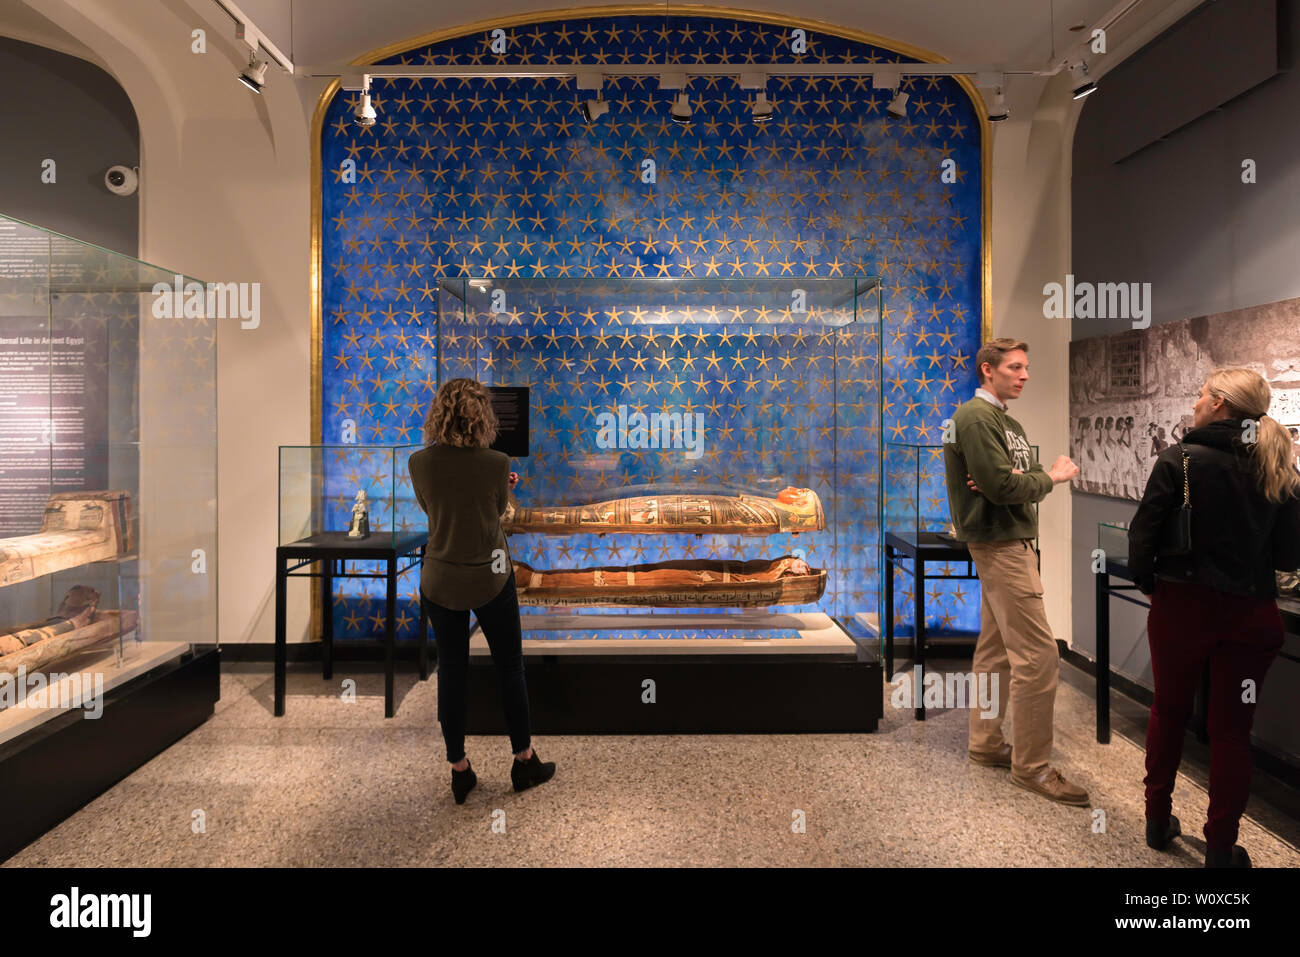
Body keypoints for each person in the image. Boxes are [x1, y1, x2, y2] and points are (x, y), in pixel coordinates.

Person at [1128, 369, 1300, 867]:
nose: (1198, 402)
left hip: (1182, 610)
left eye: (1203, 394)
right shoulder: (1278, 466)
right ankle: (1221, 847)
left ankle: (1158, 820)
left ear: (1221, 403)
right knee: (1232, 731)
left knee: (1168, 710)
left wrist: (1155, 587)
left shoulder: (1179, 459)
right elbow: (1289, 556)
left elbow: (1143, 541)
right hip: (1250, 617)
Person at [943, 337, 1089, 806]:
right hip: (1003, 546)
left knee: (997, 650)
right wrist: (1054, 477)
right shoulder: (976, 418)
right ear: (988, 370)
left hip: (1007, 541)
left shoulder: (1003, 421)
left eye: (1026, 367)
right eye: (1015, 367)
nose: (1025, 375)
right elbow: (1004, 485)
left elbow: (1005, 480)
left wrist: (1016, 481)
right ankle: (1032, 768)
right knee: (1038, 657)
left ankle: (986, 744)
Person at [408, 377, 556, 804]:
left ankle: (459, 769)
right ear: (481, 416)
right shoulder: (496, 462)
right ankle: (524, 760)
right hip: (490, 575)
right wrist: (499, 487)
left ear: (439, 413)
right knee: (510, 666)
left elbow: (436, 510)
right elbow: (494, 514)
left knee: (452, 671)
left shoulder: (419, 463)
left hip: (439, 578)